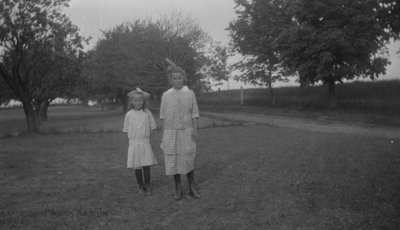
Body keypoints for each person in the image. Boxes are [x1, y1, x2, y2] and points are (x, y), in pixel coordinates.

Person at [160, 65, 200, 200]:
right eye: (174, 78)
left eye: (179, 78)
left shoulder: (190, 93)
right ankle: (178, 188)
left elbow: (194, 113)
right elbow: (163, 116)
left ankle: (192, 187)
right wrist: (164, 136)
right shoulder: (166, 95)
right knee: (173, 160)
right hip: (171, 132)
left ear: (183, 78)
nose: (177, 81)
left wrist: (194, 129)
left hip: (186, 131)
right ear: (170, 80)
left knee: (188, 158)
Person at [123, 88, 157, 196]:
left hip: (145, 142)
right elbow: (126, 129)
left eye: (140, 100)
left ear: (143, 101)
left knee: (146, 166)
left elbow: (152, 127)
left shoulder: (147, 113)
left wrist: (149, 140)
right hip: (134, 143)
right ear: (132, 102)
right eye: (136, 101)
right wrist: (131, 143)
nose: (138, 103)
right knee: (137, 166)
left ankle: (147, 185)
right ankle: (140, 186)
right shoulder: (129, 114)